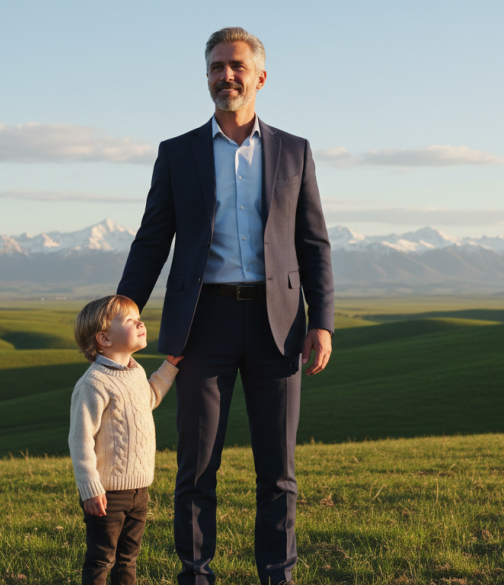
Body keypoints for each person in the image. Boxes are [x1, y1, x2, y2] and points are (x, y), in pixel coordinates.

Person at [116, 26, 334, 585]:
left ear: (260, 77)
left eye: (236, 66)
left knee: (278, 473)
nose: (225, 76)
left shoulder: (295, 151)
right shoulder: (177, 154)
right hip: (202, 325)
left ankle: (277, 576)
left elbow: (313, 244)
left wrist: (323, 323)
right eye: (216, 67)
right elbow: (151, 240)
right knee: (195, 469)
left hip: (278, 327)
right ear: (207, 76)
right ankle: (196, 575)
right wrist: (121, 311)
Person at [68, 294, 183, 585]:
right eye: (130, 320)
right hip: (107, 494)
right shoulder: (93, 384)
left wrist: (170, 366)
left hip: (139, 489)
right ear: (104, 338)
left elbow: (149, 397)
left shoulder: (135, 371)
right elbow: (80, 440)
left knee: (128, 558)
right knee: (101, 558)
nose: (140, 322)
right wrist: (90, 488)